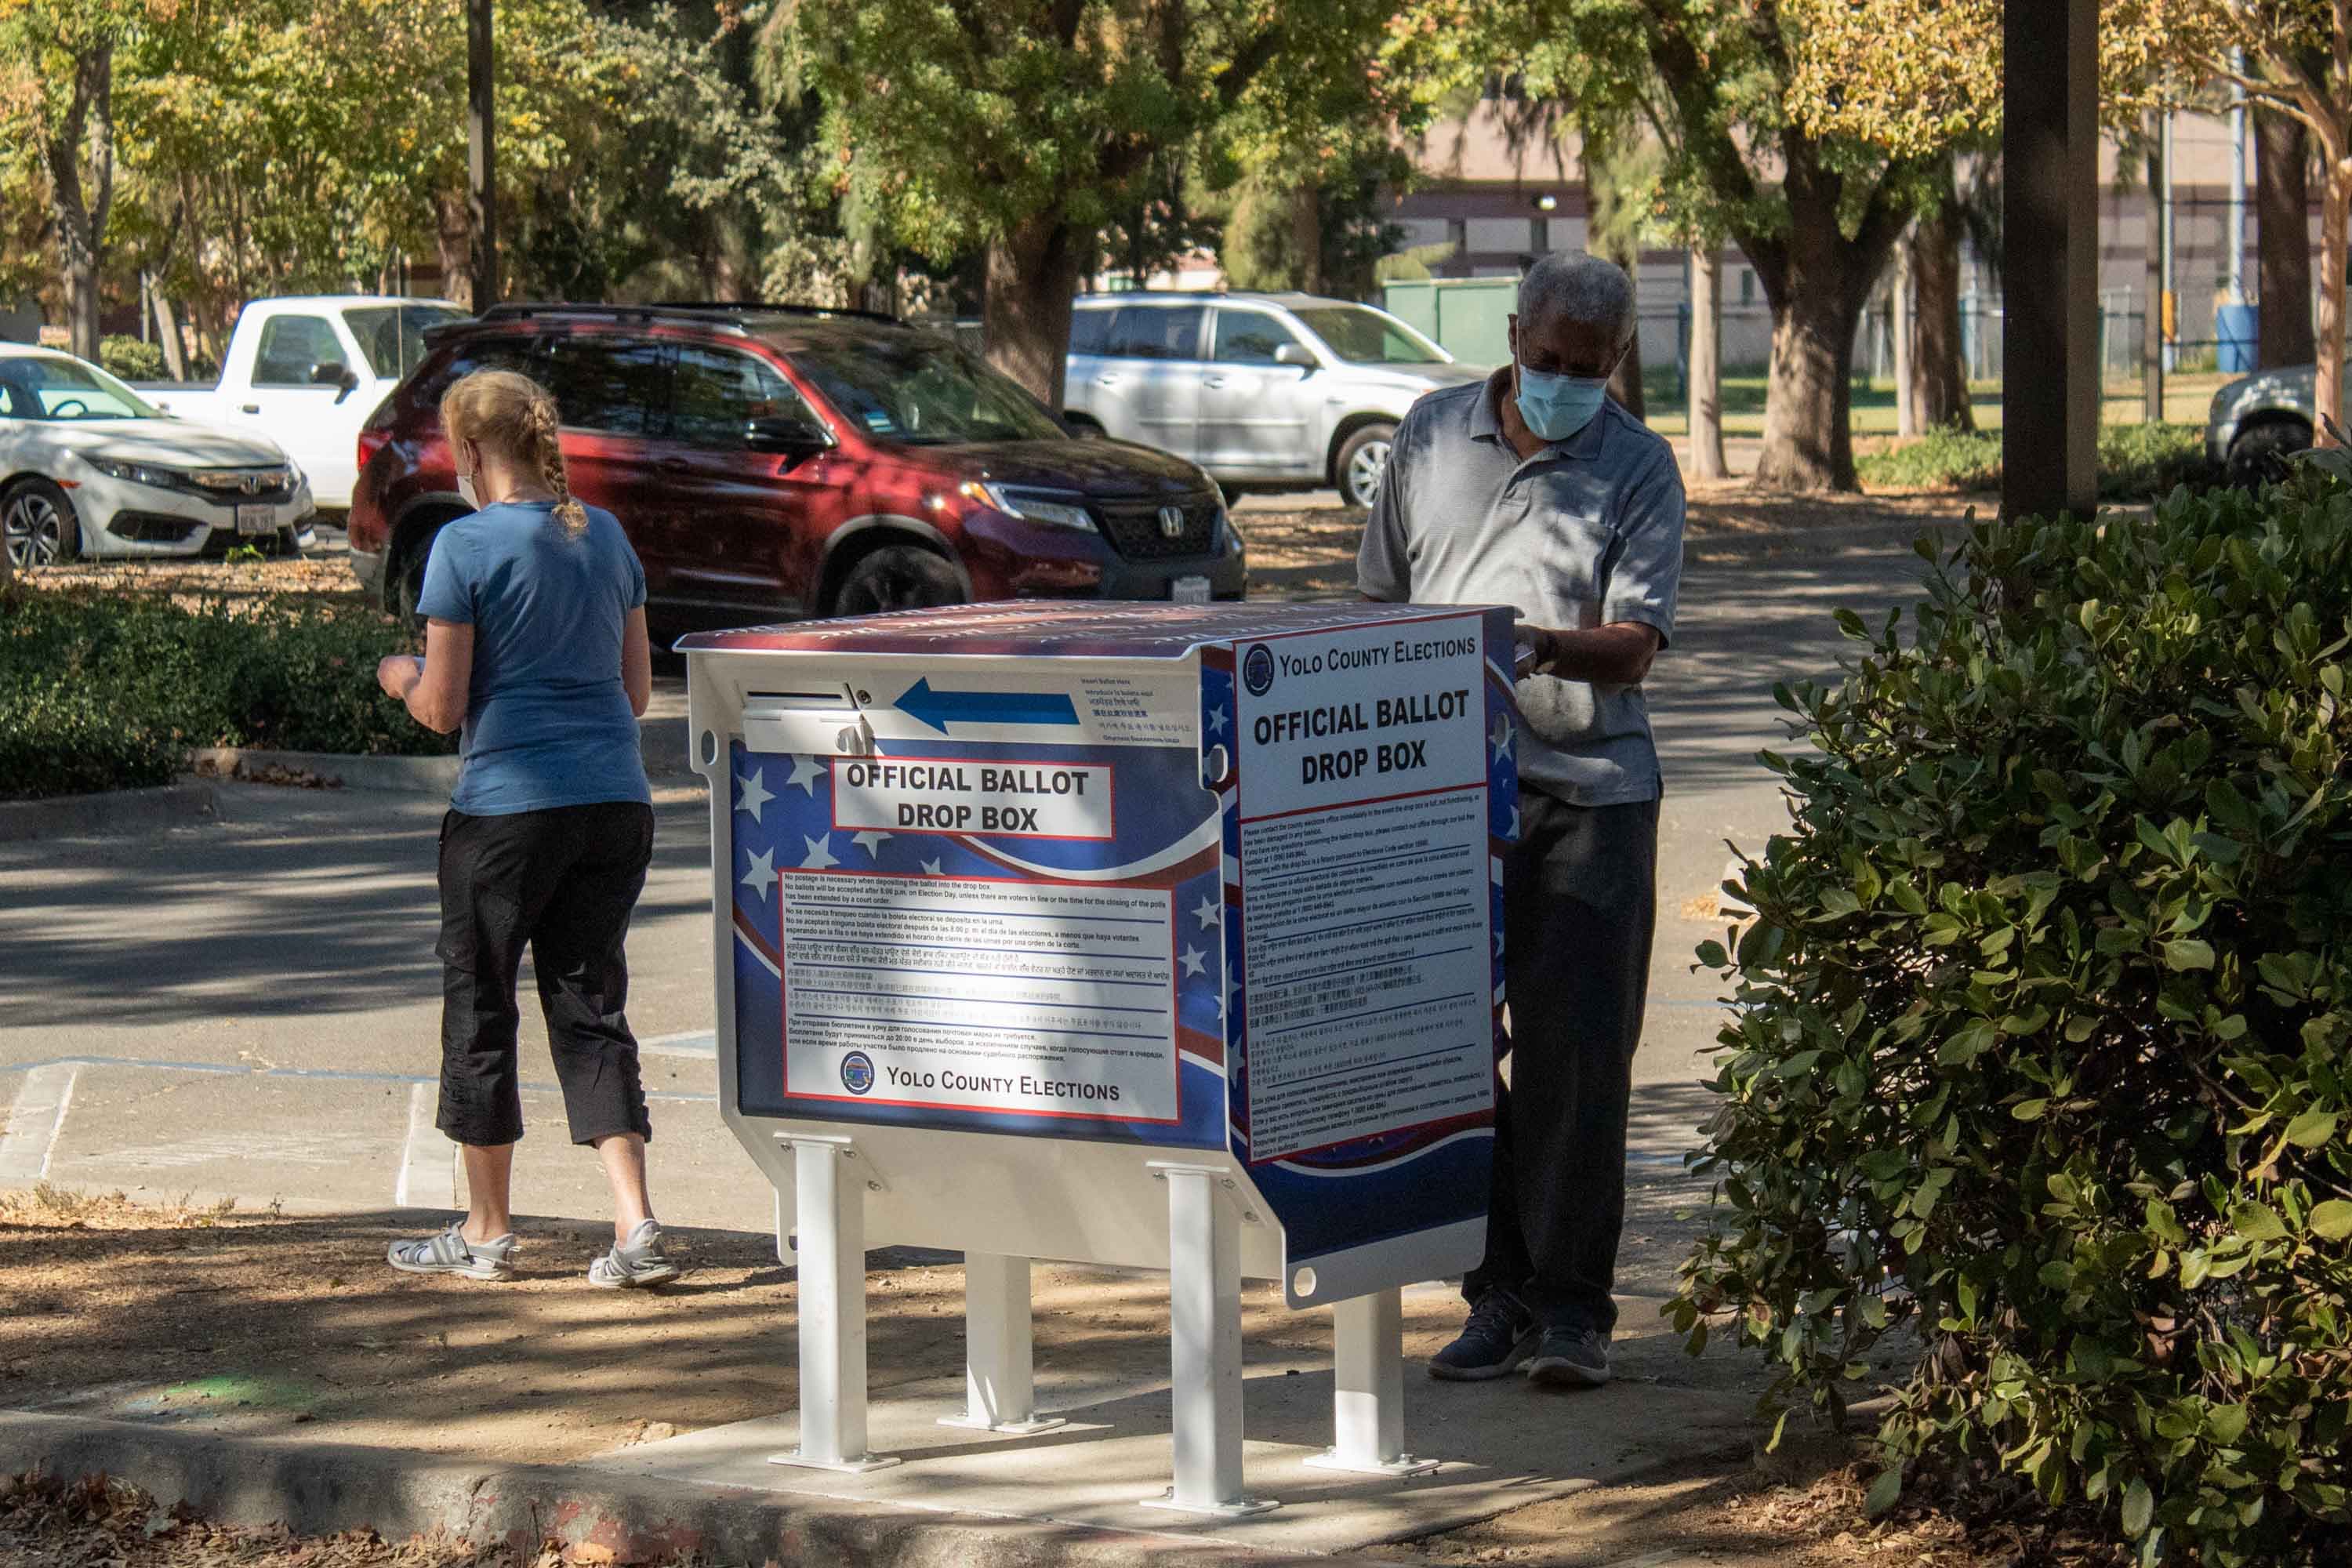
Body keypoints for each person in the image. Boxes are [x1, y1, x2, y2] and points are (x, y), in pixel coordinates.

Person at [1357, 251, 1684, 1389]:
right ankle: (1495, 1292)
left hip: (1589, 795)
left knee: (1575, 1059)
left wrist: (1534, 645)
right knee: (1452, 1052)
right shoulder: (1429, 436)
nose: (1564, 384)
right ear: (1512, 337)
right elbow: (1378, 604)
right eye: (1548, 359)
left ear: (1618, 359)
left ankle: (1573, 1308)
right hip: (1441, 797)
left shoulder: (1639, 466)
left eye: (1589, 369)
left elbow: (1634, 648)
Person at [375, 368, 677, 1289]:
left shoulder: (462, 546)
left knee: (481, 1004)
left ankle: (486, 1230)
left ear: (470, 452)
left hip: (507, 810)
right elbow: (635, 693)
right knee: (590, 1003)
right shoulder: (607, 535)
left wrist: (398, 674)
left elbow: (443, 705)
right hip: (615, 804)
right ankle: (635, 1223)